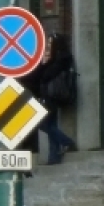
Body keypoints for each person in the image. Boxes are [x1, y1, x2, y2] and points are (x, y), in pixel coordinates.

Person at [34, 33, 77, 165]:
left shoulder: (62, 58)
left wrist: (45, 64)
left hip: (52, 96)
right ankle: (54, 157)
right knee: (51, 124)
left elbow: (46, 76)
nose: (48, 47)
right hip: (50, 96)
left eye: (50, 44)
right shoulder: (56, 59)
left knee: (42, 124)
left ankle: (67, 142)